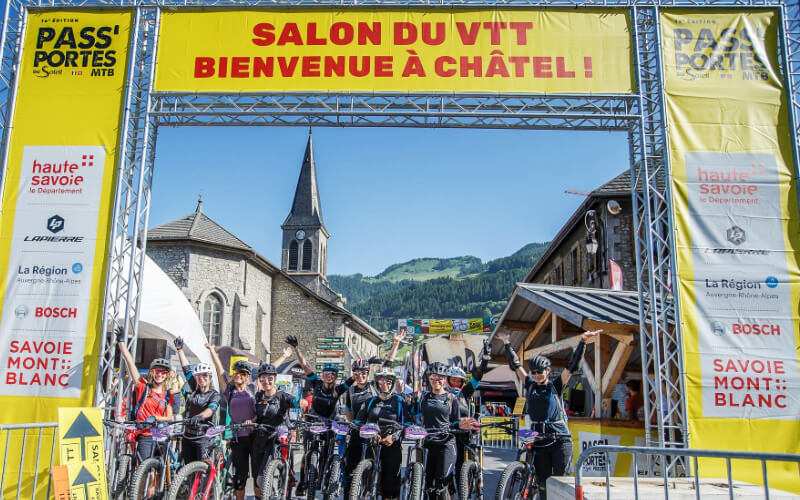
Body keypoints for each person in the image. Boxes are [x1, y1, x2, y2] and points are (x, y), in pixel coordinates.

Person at [497, 329, 601, 500]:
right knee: (543, 484)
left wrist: (583, 341)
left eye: (540, 371)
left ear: (548, 370)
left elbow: (572, 365)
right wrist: (507, 343)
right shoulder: (530, 385)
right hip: (539, 440)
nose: (537, 375)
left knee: (562, 484)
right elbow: (516, 365)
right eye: (534, 372)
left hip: (560, 439)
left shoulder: (555, 386)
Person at [343, 331, 405, 496]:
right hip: (360, 429)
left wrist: (396, 344)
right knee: (353, 468)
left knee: (382, 469)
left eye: (364, 373)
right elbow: (348, 410)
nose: (361, 376)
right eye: (357, 373)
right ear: (353, 373)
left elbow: (387, 366)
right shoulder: (351, 390)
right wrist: (353, 426)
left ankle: (377, 490)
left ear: (368, 373)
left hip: (376, 430)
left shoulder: (374, 386)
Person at [407, 362, 478, 498]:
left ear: (445, 379)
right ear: (429, 379)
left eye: (440, 377)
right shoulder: (424, 397)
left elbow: (455, 421)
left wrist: (460, 425)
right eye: (433, 377)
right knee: (428, 486)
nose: (436, 380)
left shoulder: (452, 399)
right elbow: (412, 413)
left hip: (446, 445)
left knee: (441, 486)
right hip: (427, 444)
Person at [204, 344, 257, 500]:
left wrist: (252, 420)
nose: (238, 375)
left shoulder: (254, 389)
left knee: (258, 475)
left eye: (242, 373)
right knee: (240, 478)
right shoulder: (230, 390)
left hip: (254, 436)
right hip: (238, 437)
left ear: (247, 376)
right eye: (236, 373)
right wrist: (213, 352)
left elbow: (261, 411)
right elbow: (220, 371)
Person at [115, 327, 175, 464]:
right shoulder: (143, 387)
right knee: (142, 468)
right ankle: (142, 486)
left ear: (166, 376)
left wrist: (157, 418)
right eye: (157, 371)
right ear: (152, 373)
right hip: (145, 434)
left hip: (161, 434)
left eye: (163, 372)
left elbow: (170, 417)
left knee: (156, 472)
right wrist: (122, 343)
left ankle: (154, 486)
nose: (160, 374)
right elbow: (131, 365)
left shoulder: (167, 395)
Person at [354, 367, 411, 500]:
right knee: (366, 478)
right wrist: (367, 431)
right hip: (372, 442)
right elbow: (359, 421)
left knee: (390, 482)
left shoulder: (399, 402)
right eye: (381, 381)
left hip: (392, 442)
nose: (385, 385)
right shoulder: (370, 401)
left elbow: (407, 424)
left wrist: (394, 436)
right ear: (376, 383)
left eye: (389, 382)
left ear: (393, 384)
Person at [252, 361, 301, 498]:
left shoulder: (282, 396)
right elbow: (256, 415)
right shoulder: (259, 396)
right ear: (259, 379)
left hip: (276, 438)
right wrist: (250, 421)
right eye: (263, 378)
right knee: (256, 477)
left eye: (270, 378)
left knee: (263, 477)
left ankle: (272, 492)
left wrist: (301, 403)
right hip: (260, 437)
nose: (266, 381)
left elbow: (295, 401)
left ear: (275, 379)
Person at [446, 339, 491, 479]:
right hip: (448, 436)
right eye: (453, 379)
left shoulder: (464, 393)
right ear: (447, 379)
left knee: (462, 472)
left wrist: (485, 359)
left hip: (464, 438)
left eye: (459, 380)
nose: (456, 383)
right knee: (447, 473)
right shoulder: (441, 394)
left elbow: (478, 375)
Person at [174, 336, 221, 464]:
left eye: (205, 375)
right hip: (188, 435)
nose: (201, 378)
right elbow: (186, 369)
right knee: (187, 470)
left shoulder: (214, 394)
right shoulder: (194, 388)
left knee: (202, 470)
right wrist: (180, 350)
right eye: (199, 376)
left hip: (203, 437)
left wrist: (200, 416)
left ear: (210, 377)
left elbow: (211, 409)